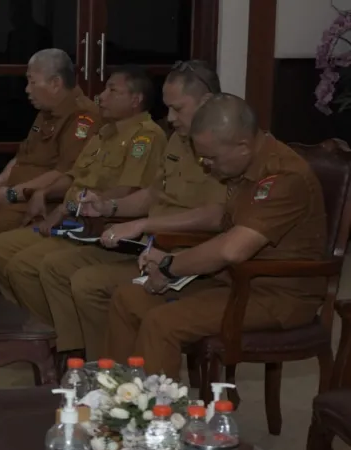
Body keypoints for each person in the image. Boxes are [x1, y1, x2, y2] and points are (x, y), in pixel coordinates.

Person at [104, 93, 328, 378]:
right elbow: (222, 217)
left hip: (277, 295)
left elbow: (232, 249)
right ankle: (117, 395)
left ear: (242, 146)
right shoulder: (246, 163)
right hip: (233, 280)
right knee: (128, 299)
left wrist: (170, 266)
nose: (205, 164)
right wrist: (151, 232)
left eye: (210, 158)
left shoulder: (284, 176)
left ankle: (155, 407)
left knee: (162, 322)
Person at [38, 61, 226, 360]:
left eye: (177, 108)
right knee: (56, 266)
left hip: (185, 254)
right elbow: (152, 194)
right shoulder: (178, 139)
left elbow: (216, 215)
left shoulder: (222, 148)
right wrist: (109, 206)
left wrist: (143, 224)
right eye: (168, 108)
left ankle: (108, 366)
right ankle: (84, 359)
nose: (170, 118)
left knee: (88, 283)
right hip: (149, 245)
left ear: (205, 102)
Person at [0, 66, 165, 324]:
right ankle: (39, 325)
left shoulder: (146, 138)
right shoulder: (105, 133)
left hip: (98, 227)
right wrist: (45, 192)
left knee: (24, 265)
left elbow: (128, 191)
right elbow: (73, 175)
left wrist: (66, 208)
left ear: (135, 100)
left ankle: (54, 332)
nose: (102, 96)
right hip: (71, 219)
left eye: (112, 91)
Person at [0, 48, 102, 286]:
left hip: (35, 201)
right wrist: (1, 180)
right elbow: (23, 154)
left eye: (32, 82)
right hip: (12, 193)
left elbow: (64, 174)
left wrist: (12, 194)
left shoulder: (83, 117)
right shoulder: (46, 111)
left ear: (55, 83)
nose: (27, 89)